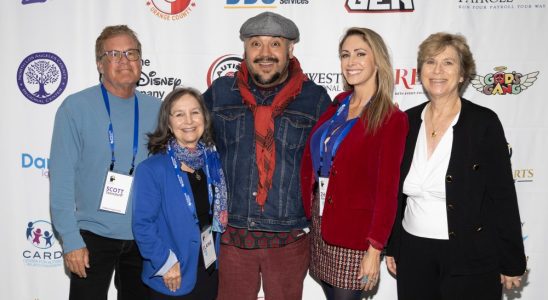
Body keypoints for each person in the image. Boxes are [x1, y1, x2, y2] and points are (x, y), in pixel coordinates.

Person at [385, 32, 527, 300]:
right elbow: (394, 194)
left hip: (470, 256)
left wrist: (512, 261)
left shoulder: (483, 123)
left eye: (448, 63)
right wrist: (394, 245)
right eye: (430, 62)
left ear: (463, 74)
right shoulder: (406, 121)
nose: (437, 70)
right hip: (414, 254)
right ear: (421, 71)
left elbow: (503, 196)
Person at [203, 11, 331, 300]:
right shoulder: (221, 93)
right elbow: (190, 141)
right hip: (233, 234)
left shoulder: (315, 99)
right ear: (245, 49)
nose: (265, 53)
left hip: (289, 237)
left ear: (290, 49)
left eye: (275, 44)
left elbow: (334, 165)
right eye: (256, 44)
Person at [49, 25, 161, 299]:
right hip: (91, 236)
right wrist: (71, 240)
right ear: (100, 64)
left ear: (141, 61)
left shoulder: (159, 109)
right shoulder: (75, 108)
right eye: (114, 54)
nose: (125, 60)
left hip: (144, 237)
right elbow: (62, 179)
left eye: (131, 53)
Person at [300, 27, 408, 300]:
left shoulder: (390, 118)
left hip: (356, 235)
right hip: (322, 222)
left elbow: (387, 192)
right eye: (345, 55)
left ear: (377, 61)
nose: (351, 62)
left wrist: (374, 250)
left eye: (361, 54)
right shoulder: (338, 105)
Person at [132, 87, 228, 299]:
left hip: (208, 268)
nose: (189, 121)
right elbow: (142, 225)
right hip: (172, 272)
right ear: (168, 123)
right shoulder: (152, 169)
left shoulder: (212, 162)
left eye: (195, 112)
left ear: (204, 117)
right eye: (179, 114)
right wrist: (165, 263)